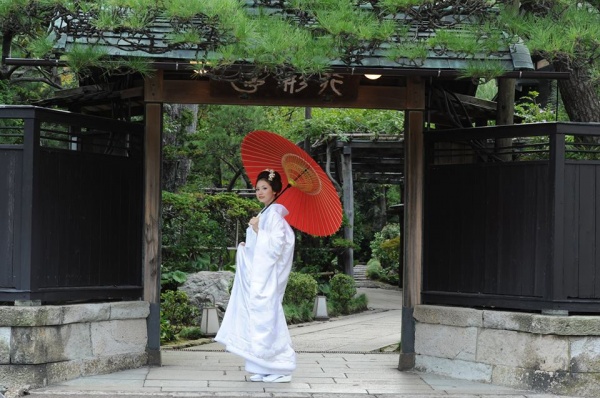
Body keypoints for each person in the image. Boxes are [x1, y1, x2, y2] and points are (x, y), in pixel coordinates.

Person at [215, 169, 296, 383]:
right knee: (258, 320)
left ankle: (281, 366)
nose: (260, 192)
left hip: (267, 280)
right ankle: (262, 365)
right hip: (259, 277)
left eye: (265, 188)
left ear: (276, 192)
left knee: (269, 320)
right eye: (258, 188)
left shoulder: (276, 217)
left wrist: (259, 231)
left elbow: (276, 248)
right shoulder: (265, 214)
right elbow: (259, 248)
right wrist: (246, 247)